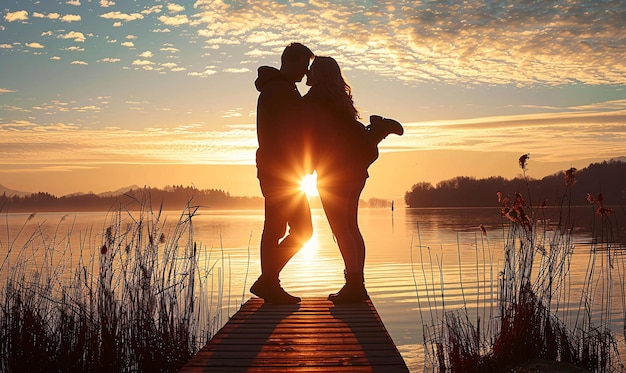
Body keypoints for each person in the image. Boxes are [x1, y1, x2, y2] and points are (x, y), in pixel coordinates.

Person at [302, 56, 403, 304]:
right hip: (355, 171)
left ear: (320, 75)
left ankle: (354, 285)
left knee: (341, 228)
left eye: (311, 71)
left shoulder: (313, 100)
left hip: (333, 173)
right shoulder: (340, 101)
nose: (306, 74)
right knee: (351, 227)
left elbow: (309, 134)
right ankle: (357, 283)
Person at [250, 42, 315, 304]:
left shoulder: (280, 89)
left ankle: (269, 281)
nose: (306, 72)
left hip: (278, 169)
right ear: (289, 62)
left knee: (277, 228)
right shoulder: (280, 91)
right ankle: (269, 281)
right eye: (303, 66)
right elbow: (293, 132)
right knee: (300, 229)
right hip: (282, 172)